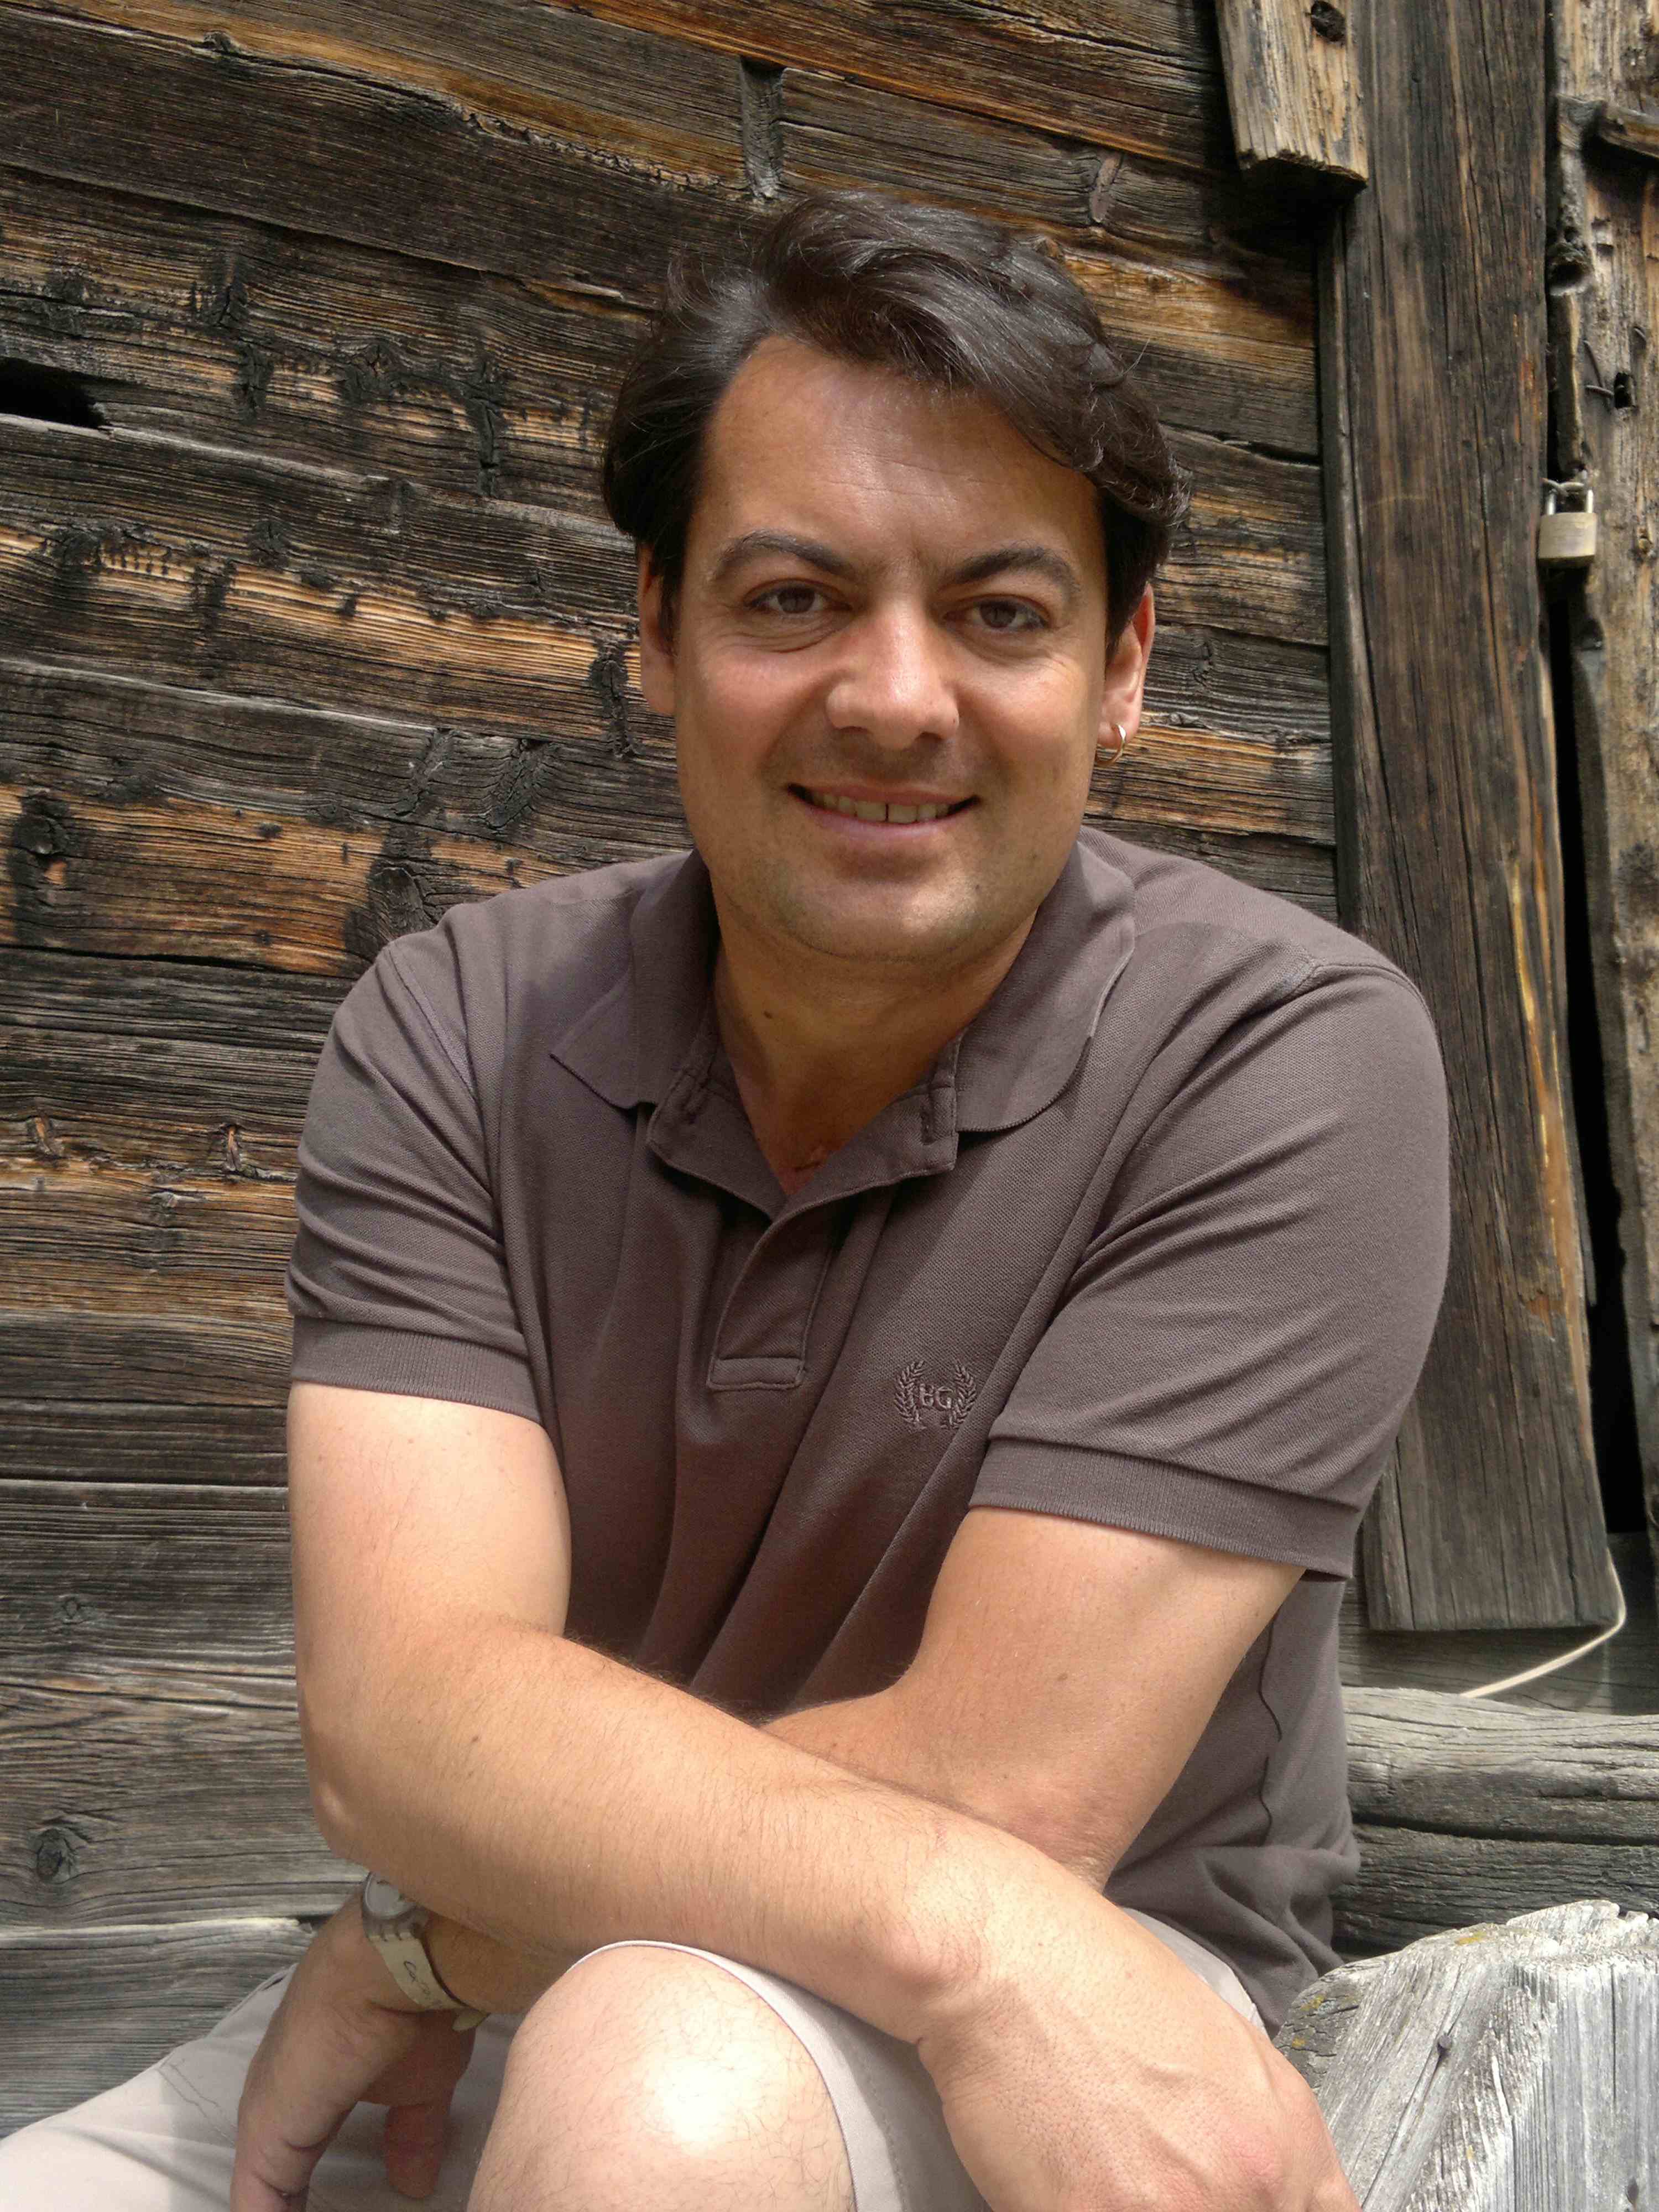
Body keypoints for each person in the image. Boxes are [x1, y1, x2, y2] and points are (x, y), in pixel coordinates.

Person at [0, 191, 1449, 2212]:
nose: (897, 695)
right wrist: (461, 1934)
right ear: (659, 634)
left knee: (654, 2074)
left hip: (1064, 1999)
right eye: (794, 599)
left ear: (1123, 666)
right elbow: (403, 1723)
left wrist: (438, 1942)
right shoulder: (462, 1025)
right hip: (588, 1969)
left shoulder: (1279, 1054)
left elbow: (1009, 1796)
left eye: (1001, 614)